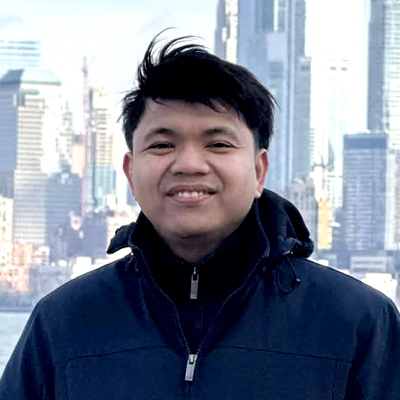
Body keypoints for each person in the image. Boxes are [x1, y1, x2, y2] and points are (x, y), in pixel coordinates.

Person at [1, 33, 400, 400]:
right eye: (163, 144)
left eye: (218, 144)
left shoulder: (358, 323)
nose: (189, 164)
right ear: (131, 173)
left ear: (259, 171)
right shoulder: (63, 324)